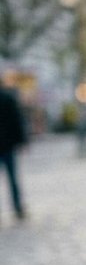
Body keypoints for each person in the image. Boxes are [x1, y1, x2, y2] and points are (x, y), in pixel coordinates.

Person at [0, 75, 28, 224]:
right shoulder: (8, 98)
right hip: (7, 145)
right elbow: (17, 120)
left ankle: (18, 207)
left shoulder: (8, 98)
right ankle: (17, 207)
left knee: (12, 178)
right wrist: (22, 141)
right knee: (12, 178)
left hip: (6, 144)